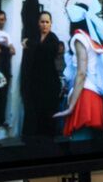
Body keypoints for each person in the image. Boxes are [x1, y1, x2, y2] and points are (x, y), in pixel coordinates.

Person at [53, 3, 103, 140]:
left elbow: (81, 73)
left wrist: (71, 107)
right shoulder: (91, 38)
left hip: (84, 96)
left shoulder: (79, 38)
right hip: (94, 96)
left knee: (80, 146)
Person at [21, 11, 61, 140]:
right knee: (35, 113)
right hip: (35, 83)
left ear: (51, 24)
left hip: (50, 84)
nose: (44, 25)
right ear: (38, 23)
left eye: (47, 22)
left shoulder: (53, 39)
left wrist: (29, 44)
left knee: (48, 113)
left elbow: (46, 51)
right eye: (42, 22)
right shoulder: (35, 37)